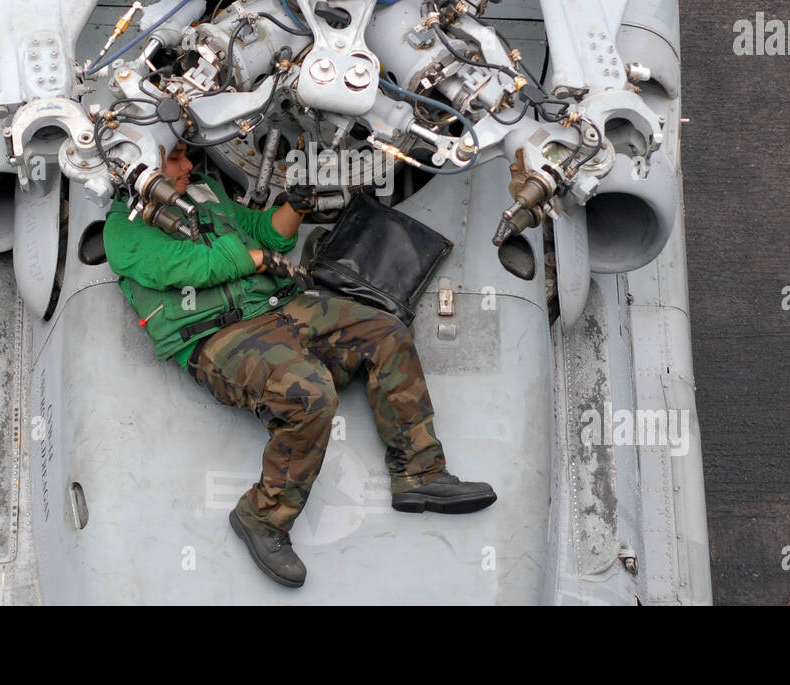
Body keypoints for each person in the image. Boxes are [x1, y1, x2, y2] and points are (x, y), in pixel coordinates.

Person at [103, 141, 496, 588]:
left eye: (184, 155)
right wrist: (258, 260)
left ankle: (419, 473)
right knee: (310, 395)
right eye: (174, 158)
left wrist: (294, 207)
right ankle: (261, 518)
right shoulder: (122, 231)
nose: (188, 164)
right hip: (219, 336)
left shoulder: (204, 190)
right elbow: (192, 267)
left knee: (385, 332)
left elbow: (260, 232)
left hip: (279, 307)